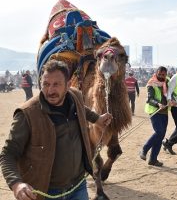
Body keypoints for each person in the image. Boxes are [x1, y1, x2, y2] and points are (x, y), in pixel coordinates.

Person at [0, 60, 112, 200]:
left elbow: (82, 109)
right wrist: (16, 184)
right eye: (46, 84)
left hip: (78, 186)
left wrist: (97, 119)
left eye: (56, 84)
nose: (50, 91)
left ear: (68, 85)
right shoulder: (27, 114)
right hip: (46, 191)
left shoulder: (75, 96)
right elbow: (8, 154)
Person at [139, 66, 168, 167]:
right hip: (154, 111)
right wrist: (158, 104)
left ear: (166, 74)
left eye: (163, 74)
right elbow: (149, 99)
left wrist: (173, 100)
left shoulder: (167, 81)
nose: (161, 76)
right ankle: (144, 149)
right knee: (159, 132)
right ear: (156, 73)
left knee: (160, 136)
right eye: (159, 74)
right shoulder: (151, 83)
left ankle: (153, 159)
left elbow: (172, 93)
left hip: (165, 112)